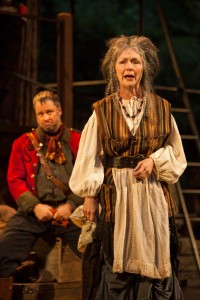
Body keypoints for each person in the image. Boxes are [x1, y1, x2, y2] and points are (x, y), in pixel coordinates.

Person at [69, 35, 187, 300]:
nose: (129, 67)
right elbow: (90, 155)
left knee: (156, 264)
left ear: (144, 68)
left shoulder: (161, 108)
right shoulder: (103, 111)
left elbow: (177, 154)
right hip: (117, 197)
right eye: (123, 61)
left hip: (152, 196)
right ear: (115, 68)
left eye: (135, 61)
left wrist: (154, 161)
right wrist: (89, 194)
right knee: (116, 264)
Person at [0, 90, 83, 283]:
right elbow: (14, 179)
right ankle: (31, 277)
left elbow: (88, 178)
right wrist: (35, 206)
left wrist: (71, 205)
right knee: (3, 252)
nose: (45, 117)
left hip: (71, 214)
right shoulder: (22, 144)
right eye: (40, 114)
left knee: (96, 253)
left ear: (59, 110)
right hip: (33, 213)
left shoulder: (78, 140)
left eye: (49, 112)